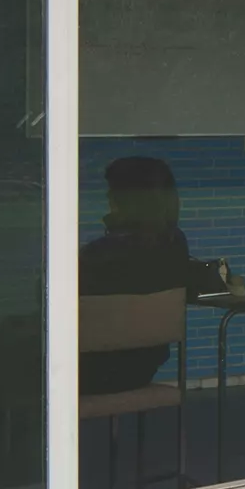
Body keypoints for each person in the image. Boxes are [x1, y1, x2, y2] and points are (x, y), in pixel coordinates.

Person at [79, 155, 193, 396]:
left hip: (86, 369)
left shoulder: (102, 252)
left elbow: (48, 294)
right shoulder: (175, 242)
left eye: (112, 192)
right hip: (143, 367)